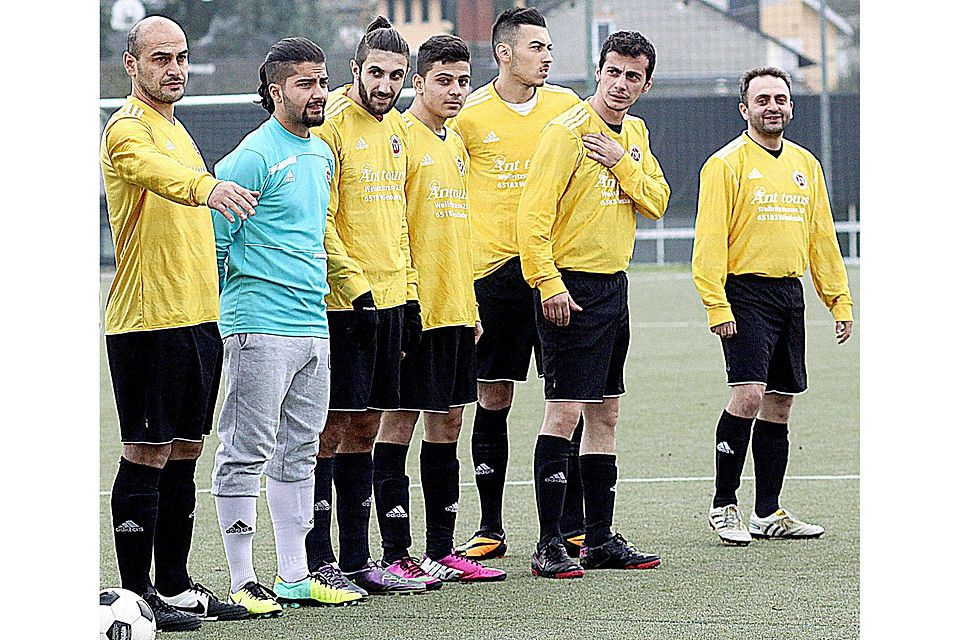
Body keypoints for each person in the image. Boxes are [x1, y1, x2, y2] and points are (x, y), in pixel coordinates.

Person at [100, 15, 256, 632]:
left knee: (187, 451)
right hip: (147, 322)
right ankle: (136, 597)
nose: (176, 69)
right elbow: (156, 176)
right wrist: (206, 187)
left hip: (198, 319)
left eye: (182, 57)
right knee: (146, 450)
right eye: (161, 59)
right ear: (132, 65)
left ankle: (175, 586)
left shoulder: (178, 129)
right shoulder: (126, 130)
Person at [209, 37, 367, 617]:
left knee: (300, 451)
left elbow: (314, 233)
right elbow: (217, 242)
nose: (318, 92)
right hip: (260, 325)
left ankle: (296, 575)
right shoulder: (251, 156)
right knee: (246, 450)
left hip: (312, 323)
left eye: (323, 81)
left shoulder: (322, 155)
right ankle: (243, 578)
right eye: (305, 83)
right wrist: (240, 307)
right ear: (276, 91)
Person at [517, 30, 669, 579]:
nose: (621, 84)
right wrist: (547, 282)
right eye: (614, 72)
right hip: (569, 288)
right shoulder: (565, 132)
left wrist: (622, 163)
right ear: (598, 72)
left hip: (613, 286)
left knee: (606, 412)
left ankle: (599, 539)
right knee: (564, 412)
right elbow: (531, 218)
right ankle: (549, 543)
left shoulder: (635, 133)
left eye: (634, 76)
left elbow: (656, 199)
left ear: (646, 83)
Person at [692, 66, 854, 546]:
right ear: (744, 108)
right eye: (762, 99)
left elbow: (822, 238)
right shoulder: (725, 164)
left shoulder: (806, 165)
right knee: (747, 395)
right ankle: (724, 505)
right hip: (743, 294)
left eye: (781, 98)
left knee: (780, 404)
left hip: (789, 294)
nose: (773, 106)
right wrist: (715, 304)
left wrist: (838, 299)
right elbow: (709, 242)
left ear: (791, 106)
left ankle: (768, 512)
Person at [450, 6, 586, 562]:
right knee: (494, 395)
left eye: (549, 46)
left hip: (555, 273)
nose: (547, 56)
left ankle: (572, 526)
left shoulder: (570, 110)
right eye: (536, 46)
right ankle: (490, 526)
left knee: (568, 399)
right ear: (504, 52)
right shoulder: (470, 115)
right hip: (495, 277)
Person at [372, 34, 507, 588]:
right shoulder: (397, 137)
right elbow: (392, 229)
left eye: (461, 81)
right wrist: (406, 304)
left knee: (448, 423)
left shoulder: (454, 144)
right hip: (415, 309)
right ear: (418, 82)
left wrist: (470, 303)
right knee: (397, 424)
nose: (454, 91)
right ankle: (396, 552)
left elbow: (455, 234)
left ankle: (441, 549)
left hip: (455, 307)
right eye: (443, 81)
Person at [303, 16, 425, 596]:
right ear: (354, 71)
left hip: (392, 302)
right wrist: (357, 288)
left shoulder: (397, 130)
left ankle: (357, 558)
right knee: (328, 429)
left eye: (396, 76)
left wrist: (409, 293)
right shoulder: (327, 128)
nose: (386, 85)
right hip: (343, 306)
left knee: (368, 426)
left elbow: (397, 223)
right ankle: (316, 557)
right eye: (375, 73)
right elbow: (321, 223)